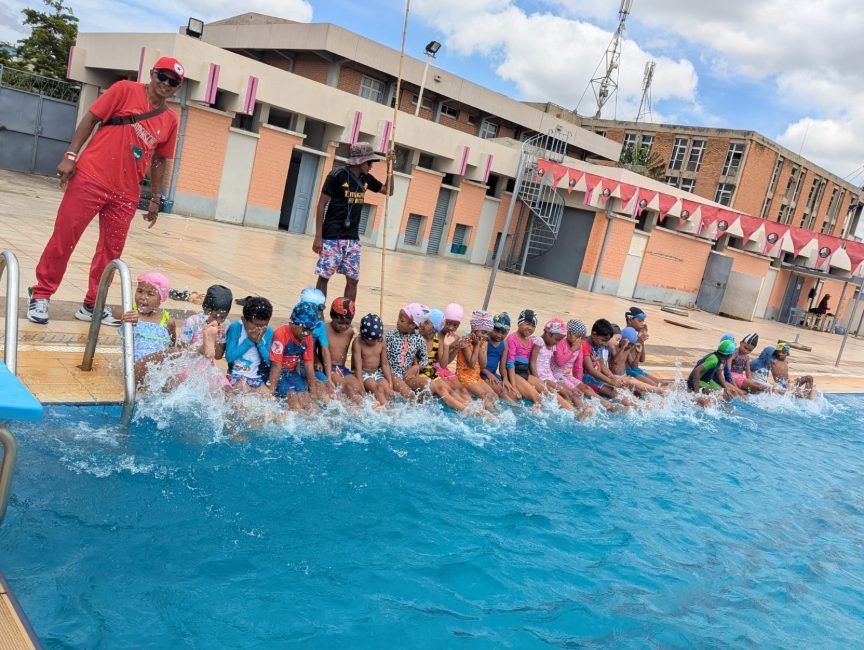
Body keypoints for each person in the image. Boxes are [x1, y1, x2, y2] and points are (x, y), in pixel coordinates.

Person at [28, 57, 184, 326]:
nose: (165, 83)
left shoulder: (170, 119)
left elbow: (160, 160)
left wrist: (156, 198)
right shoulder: (124, 90)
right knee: (64, 238)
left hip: (126, 195)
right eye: (162, 76)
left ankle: (92, 305)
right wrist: (71, 155)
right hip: (90, 178)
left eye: (173, 81)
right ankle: (41, 294)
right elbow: (90, 119)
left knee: (110, 253)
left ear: (177, 87)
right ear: (152, 73)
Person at [312, 142, 394, 302]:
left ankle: (346, 313)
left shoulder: (367, 179)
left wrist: (390, 166)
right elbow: (321, 204)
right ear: (360, 161)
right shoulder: (336, 175)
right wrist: (318, 236)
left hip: (352, 239)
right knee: (324, 275)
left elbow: (388, 190)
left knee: (353, 279)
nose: (371, 166)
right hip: (332, 236)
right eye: (370, 162)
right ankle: (318, 311)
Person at [117, 272, 176, 384]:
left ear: (161, 299)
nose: (143, 297)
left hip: (158, 369)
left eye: (150, 294)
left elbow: (171, 344)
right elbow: (116, 313)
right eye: (139, 291)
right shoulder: (129, 312)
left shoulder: (168, 321)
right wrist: (126, 317)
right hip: (134, 366)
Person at [268, 302, 321, 410]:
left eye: (311, 330)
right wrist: (271, 392)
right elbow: (276, 366)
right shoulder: (281, 334)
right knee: (293, 400)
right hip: (277, 373)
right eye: (305, 329)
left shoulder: (308, 338)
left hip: (291, 373)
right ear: (293, 322)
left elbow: (308, 365)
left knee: (307, 399)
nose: (307, 333)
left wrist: (313, 392)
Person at [224, 297, 274, 393]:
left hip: (256, 378)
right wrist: (250, 341)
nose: (259, 329)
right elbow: (229, 357)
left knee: (267, 397)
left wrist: (259, 343)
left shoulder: (268, 332)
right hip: (236, 374)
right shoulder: (236, 328)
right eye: (255, 325)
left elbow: (269, 361)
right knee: (243, 391)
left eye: (263, 325)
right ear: (244, 320)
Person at [581, 319, 633, 407]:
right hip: (585, 378)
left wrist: (613, 378)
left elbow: (602, 365)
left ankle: (636, 405)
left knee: (621, 388)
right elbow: (590, 370)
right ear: (594, 334)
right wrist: (610, 381)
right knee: (612, 391)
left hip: (596, 376)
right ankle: (622, 407)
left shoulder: (599, 345)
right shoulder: (585, 345)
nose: (605, 344)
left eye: (606, 341)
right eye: (603, 340)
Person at [456, 310, 499, 411]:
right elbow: (471, 364)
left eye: (487, 333)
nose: (485, 336)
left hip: (475, 376)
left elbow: (483, 365)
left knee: (494, 396)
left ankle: (497, 415)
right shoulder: (466, 341)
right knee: (485, 397)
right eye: (483, 332)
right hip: (464, 376)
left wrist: (479, 347)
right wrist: (476, 346)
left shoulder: (484, 343)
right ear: (474, 329)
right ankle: (492, 419)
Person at [325, 297, 365, 404]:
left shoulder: (351, 331)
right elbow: (314, 349)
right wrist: (317, 362)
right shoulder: (324, 329)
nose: (343, 326)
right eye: (340, 323)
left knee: (360, 389)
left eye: (347, 323)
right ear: (332, 316)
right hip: (330, 369)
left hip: (342, 369)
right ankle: (354, 410)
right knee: (347, 388)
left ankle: (367, 408)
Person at [179, 285, 233, 360]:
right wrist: (202, 346)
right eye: (214, 316)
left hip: (207, 368)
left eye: (223, 317)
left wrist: (216, 339)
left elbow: (218, 356)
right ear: (205, 309)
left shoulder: (225, 325)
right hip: (188, 367)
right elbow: (181, 352)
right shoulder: (193, 322)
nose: (218, 321)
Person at [352, 313, 394, 407]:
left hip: (376, 373)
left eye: (376, 339)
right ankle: (388, 411)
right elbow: (357, 368)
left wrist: (389, 381)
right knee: (378, 388)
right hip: (363, 373)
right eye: (371, 340)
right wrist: (361, 386)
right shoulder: (358, 343)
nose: (374, 342)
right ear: (363, 336)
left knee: (390, 393)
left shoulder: (381, 341)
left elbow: (385, 364)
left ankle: (385, 406)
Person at [608, 327, 664, 396]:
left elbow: (633, 364)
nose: (630, 346)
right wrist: (623, 347)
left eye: (632, 345)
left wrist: (638, 353)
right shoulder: (615, 349)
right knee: (631, 389)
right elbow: (616, 361)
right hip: (618, 376)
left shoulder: (627, 350)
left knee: (641, 392)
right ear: (622, 341)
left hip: (625, 375)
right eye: (629, 344)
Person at [504, 309, 544, 406]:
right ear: (519, 323)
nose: (530, 328)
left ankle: (574, 412)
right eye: (527, 324)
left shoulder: (530, 341)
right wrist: (514, 386)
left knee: (548, 392)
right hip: (515, 374)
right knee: (537, 398)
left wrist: (536, 381)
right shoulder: (512, 338)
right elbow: (510, 363)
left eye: (533, 325)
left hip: (525, 373)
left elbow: (530, 362)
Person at [482, 313, 520, 403]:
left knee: (513, 394)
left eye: (503, 333)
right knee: (501, 391)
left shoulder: (504, 345)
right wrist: (488, 374)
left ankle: (517, 408)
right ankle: (516, 409)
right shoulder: (484, 340)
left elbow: (502, 367)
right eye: (496, 331)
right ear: (490, 328)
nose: (499, 335)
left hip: (493, 375)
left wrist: (505, 379)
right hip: (482, 374)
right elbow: (478, 364)